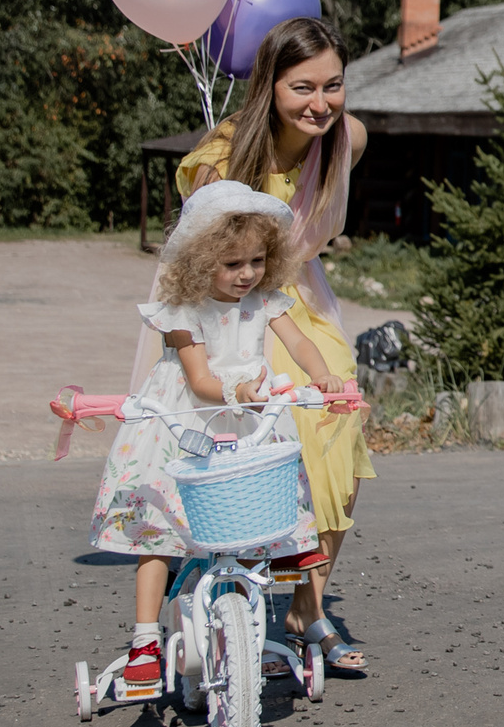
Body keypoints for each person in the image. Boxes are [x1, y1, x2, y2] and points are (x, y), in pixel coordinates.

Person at [176, 17, 374, 672]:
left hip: (302, 304)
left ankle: (307, 610)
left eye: (334, 84)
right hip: (241, 308)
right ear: (270, 85)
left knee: (341, 426)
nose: (321, 102)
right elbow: (198, 245)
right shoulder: (228, 153)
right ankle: (254, 607)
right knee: (277, 443)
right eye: (302, 87)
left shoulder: (345, 139)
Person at [88, 182, 330, 696]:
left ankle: (239, 626)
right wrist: (242, 388)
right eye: (232, 264)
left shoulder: (266, 300)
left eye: (258, 261)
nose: (247, 275)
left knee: (246, 518)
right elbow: (199, 382)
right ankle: (145, 638)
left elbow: (301, 342)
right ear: (201, 263)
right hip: (189, 420)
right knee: (160, 529)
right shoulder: (184, 311)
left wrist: (326, 377)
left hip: (245, 417)